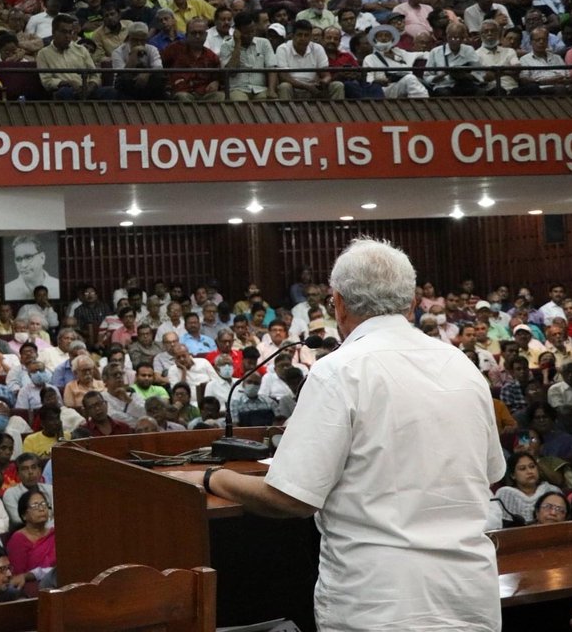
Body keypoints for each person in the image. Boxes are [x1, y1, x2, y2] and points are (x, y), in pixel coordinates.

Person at [199, 237, 505, 631]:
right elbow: (492, 472)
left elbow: (290, 499)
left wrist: (215, 477)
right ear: (412, 302)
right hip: (468, 594)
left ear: (337, 303)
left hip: (382, 602)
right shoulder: (461, 365)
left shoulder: (339, 371)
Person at [6, 489, 55, 576]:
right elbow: (17, 575)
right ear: (24, 515)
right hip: (29, 585)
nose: (41, 509)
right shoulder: (18, 539)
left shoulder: (54, 534)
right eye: (35, 506)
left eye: (44, 504)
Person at [4, 235, 59, 301]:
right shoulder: (8, 290)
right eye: (18, 259)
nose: (23, 265)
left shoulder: (57, 286)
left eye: (28, 257)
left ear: (42, 258)